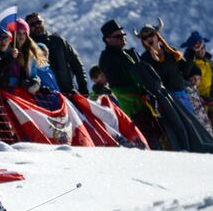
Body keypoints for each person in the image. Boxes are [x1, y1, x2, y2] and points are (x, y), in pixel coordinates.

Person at [98, 19, 163, 149]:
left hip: (146, 104)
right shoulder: (107, 59)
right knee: (149, 141)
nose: (122, 38)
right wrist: (141, 93)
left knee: (159, 135)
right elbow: (118, 88)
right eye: (117, 36)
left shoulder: (127, 53)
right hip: (133, 109)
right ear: (107, 40)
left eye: (123, 35)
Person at [137, 20, 194, 114]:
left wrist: (192, 51)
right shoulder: (145, 59)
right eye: (145, 37)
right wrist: (155, 61)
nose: (148, 38)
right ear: (143, 41)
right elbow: (151, 82)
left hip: (182, 94)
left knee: (193, 124)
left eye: (151, 35)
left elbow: (185, 70)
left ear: (157, 36)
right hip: (166, 100)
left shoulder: (171, 51)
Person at [25, 12, 88, 95]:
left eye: (39, 22)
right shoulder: (28, 48)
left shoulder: (58, 41)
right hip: (47, 97)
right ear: (28, 27)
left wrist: (83, 87)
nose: (37, 25)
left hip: (69, 92)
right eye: (33, 24)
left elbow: (76, 64)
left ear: (43, 22)